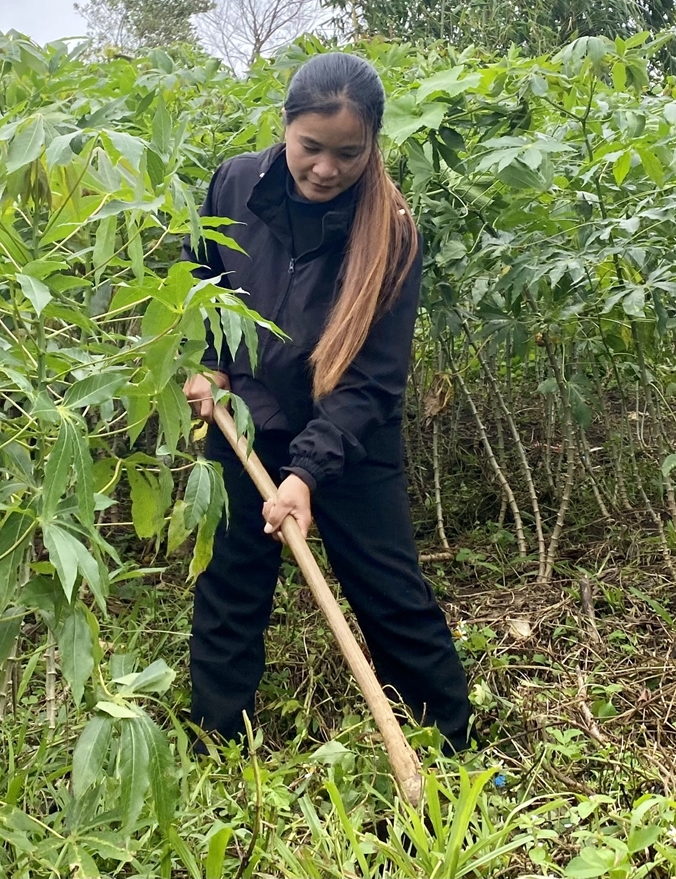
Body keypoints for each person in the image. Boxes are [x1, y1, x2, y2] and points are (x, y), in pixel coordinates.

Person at [181, 51, 471, 752]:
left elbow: (372, 381)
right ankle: (218, 741)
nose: (325, 168)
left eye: (348, 153)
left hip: (349, 435)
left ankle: (451, 743)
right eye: (311, 147)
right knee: (229, 584)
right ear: (284, 128)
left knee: (390, 592)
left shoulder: (392, 231)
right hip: (246, 418)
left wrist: (305, 475)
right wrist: (209, 366)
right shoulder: (232, 185)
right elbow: (199, 281)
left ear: (372, 145)